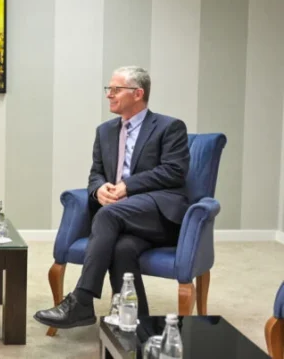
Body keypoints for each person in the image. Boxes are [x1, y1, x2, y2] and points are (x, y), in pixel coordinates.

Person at [34, 66, 190, 329]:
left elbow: (174, 171)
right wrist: (99, 190)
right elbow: (96, 173)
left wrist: (127, 186)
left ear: (138, 93)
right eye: (109, 89)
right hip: (121, 218)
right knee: (122, 249)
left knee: (107, 215)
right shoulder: (104, 131)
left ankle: (82, 300)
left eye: (116, 89)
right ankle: (136, 325)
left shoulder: (169, 127)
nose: (109, 94)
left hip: (158, 215)